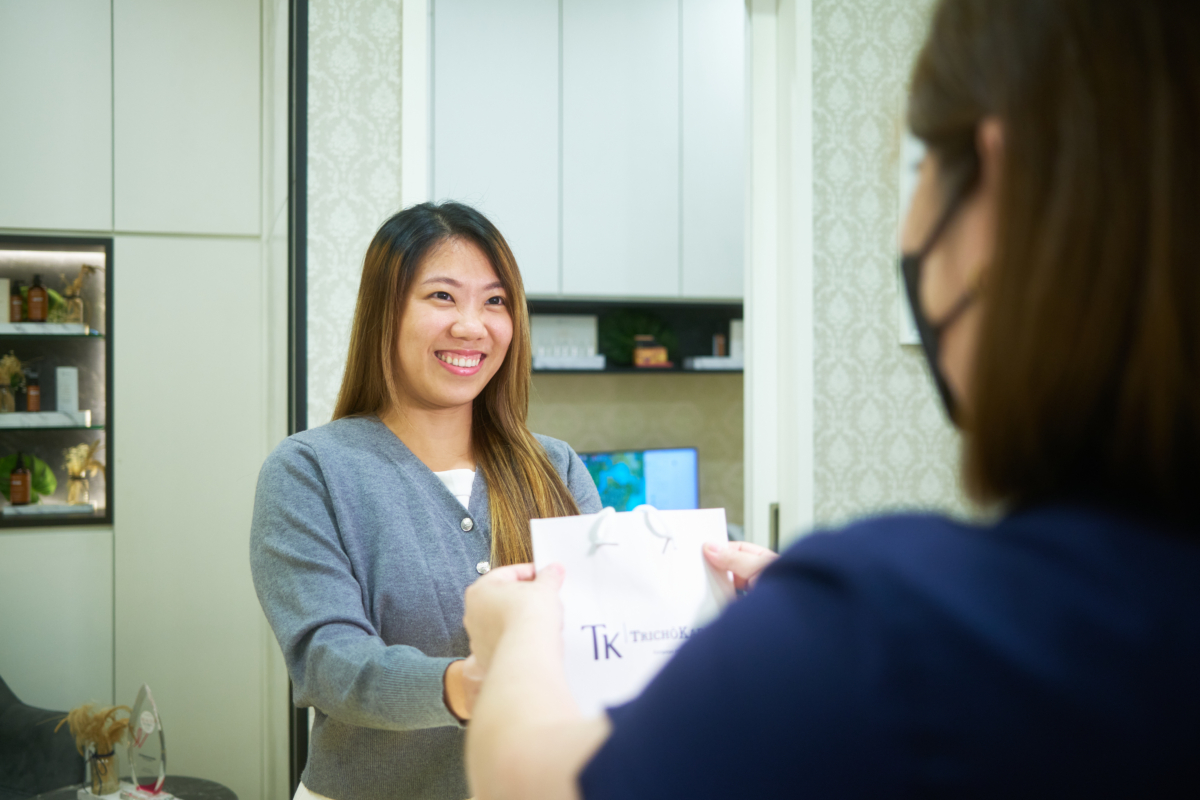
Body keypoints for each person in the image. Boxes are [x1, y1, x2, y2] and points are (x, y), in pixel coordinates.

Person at [460, 0, 1200, 797]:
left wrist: (524, 629)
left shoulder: (884, 630)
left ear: (998, 193)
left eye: (918, 170)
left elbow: (533, 780)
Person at [249, 202, 602, 800]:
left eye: (494, 301)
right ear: (384, 313)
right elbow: (329, 662)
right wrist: (467, 684)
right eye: (442, 296)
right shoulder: (311, 471)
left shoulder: (556, 466)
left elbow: (605, 629)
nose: (472, 326)